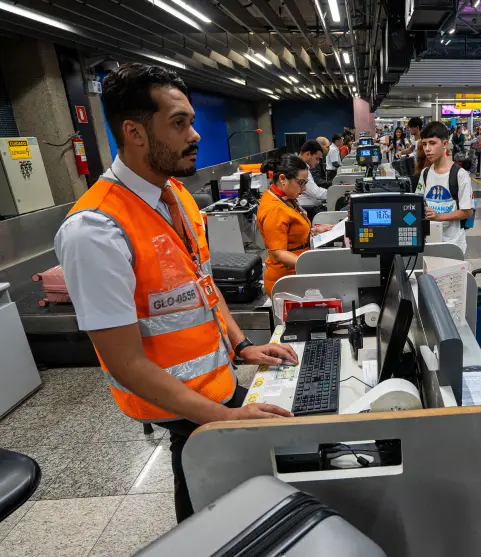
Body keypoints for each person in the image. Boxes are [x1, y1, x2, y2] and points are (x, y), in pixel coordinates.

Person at [54, 63, 300, 523]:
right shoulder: (96, 230)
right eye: (179, 123)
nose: (196, 135)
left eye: (191, 120)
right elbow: (124, 362)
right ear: (135, 132)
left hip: (216, 388)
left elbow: (205, 287)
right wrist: (221, 420)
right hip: (185, 406)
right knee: (209, 520)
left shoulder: (179, 198)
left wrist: (242, 345)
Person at [257, 155, 333, 296]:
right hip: (286, 281)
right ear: (282, 179)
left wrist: (313, 231)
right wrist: (311, 266)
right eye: (301, 183)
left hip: (296, 273)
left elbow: (290, 231)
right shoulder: (274, 209)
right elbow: (279, 253)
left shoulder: (286, 198)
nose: (304, 189)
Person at [416, 121, 474, 255]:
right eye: (424, 144)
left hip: (453, 244)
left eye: (432, 143)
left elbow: (467, 212)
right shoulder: (425, 174)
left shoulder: (460, 175)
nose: (427, 149)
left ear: (444, 144)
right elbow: (418, 201)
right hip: (428, 241)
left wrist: (438, 216)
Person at [296, 140, 329, 217]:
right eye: (317, 158)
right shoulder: (299, 168)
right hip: (308, 210)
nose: (318, 162)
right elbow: (316, 193)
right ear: (308, 154)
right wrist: (334, 193)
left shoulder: (305, 167)